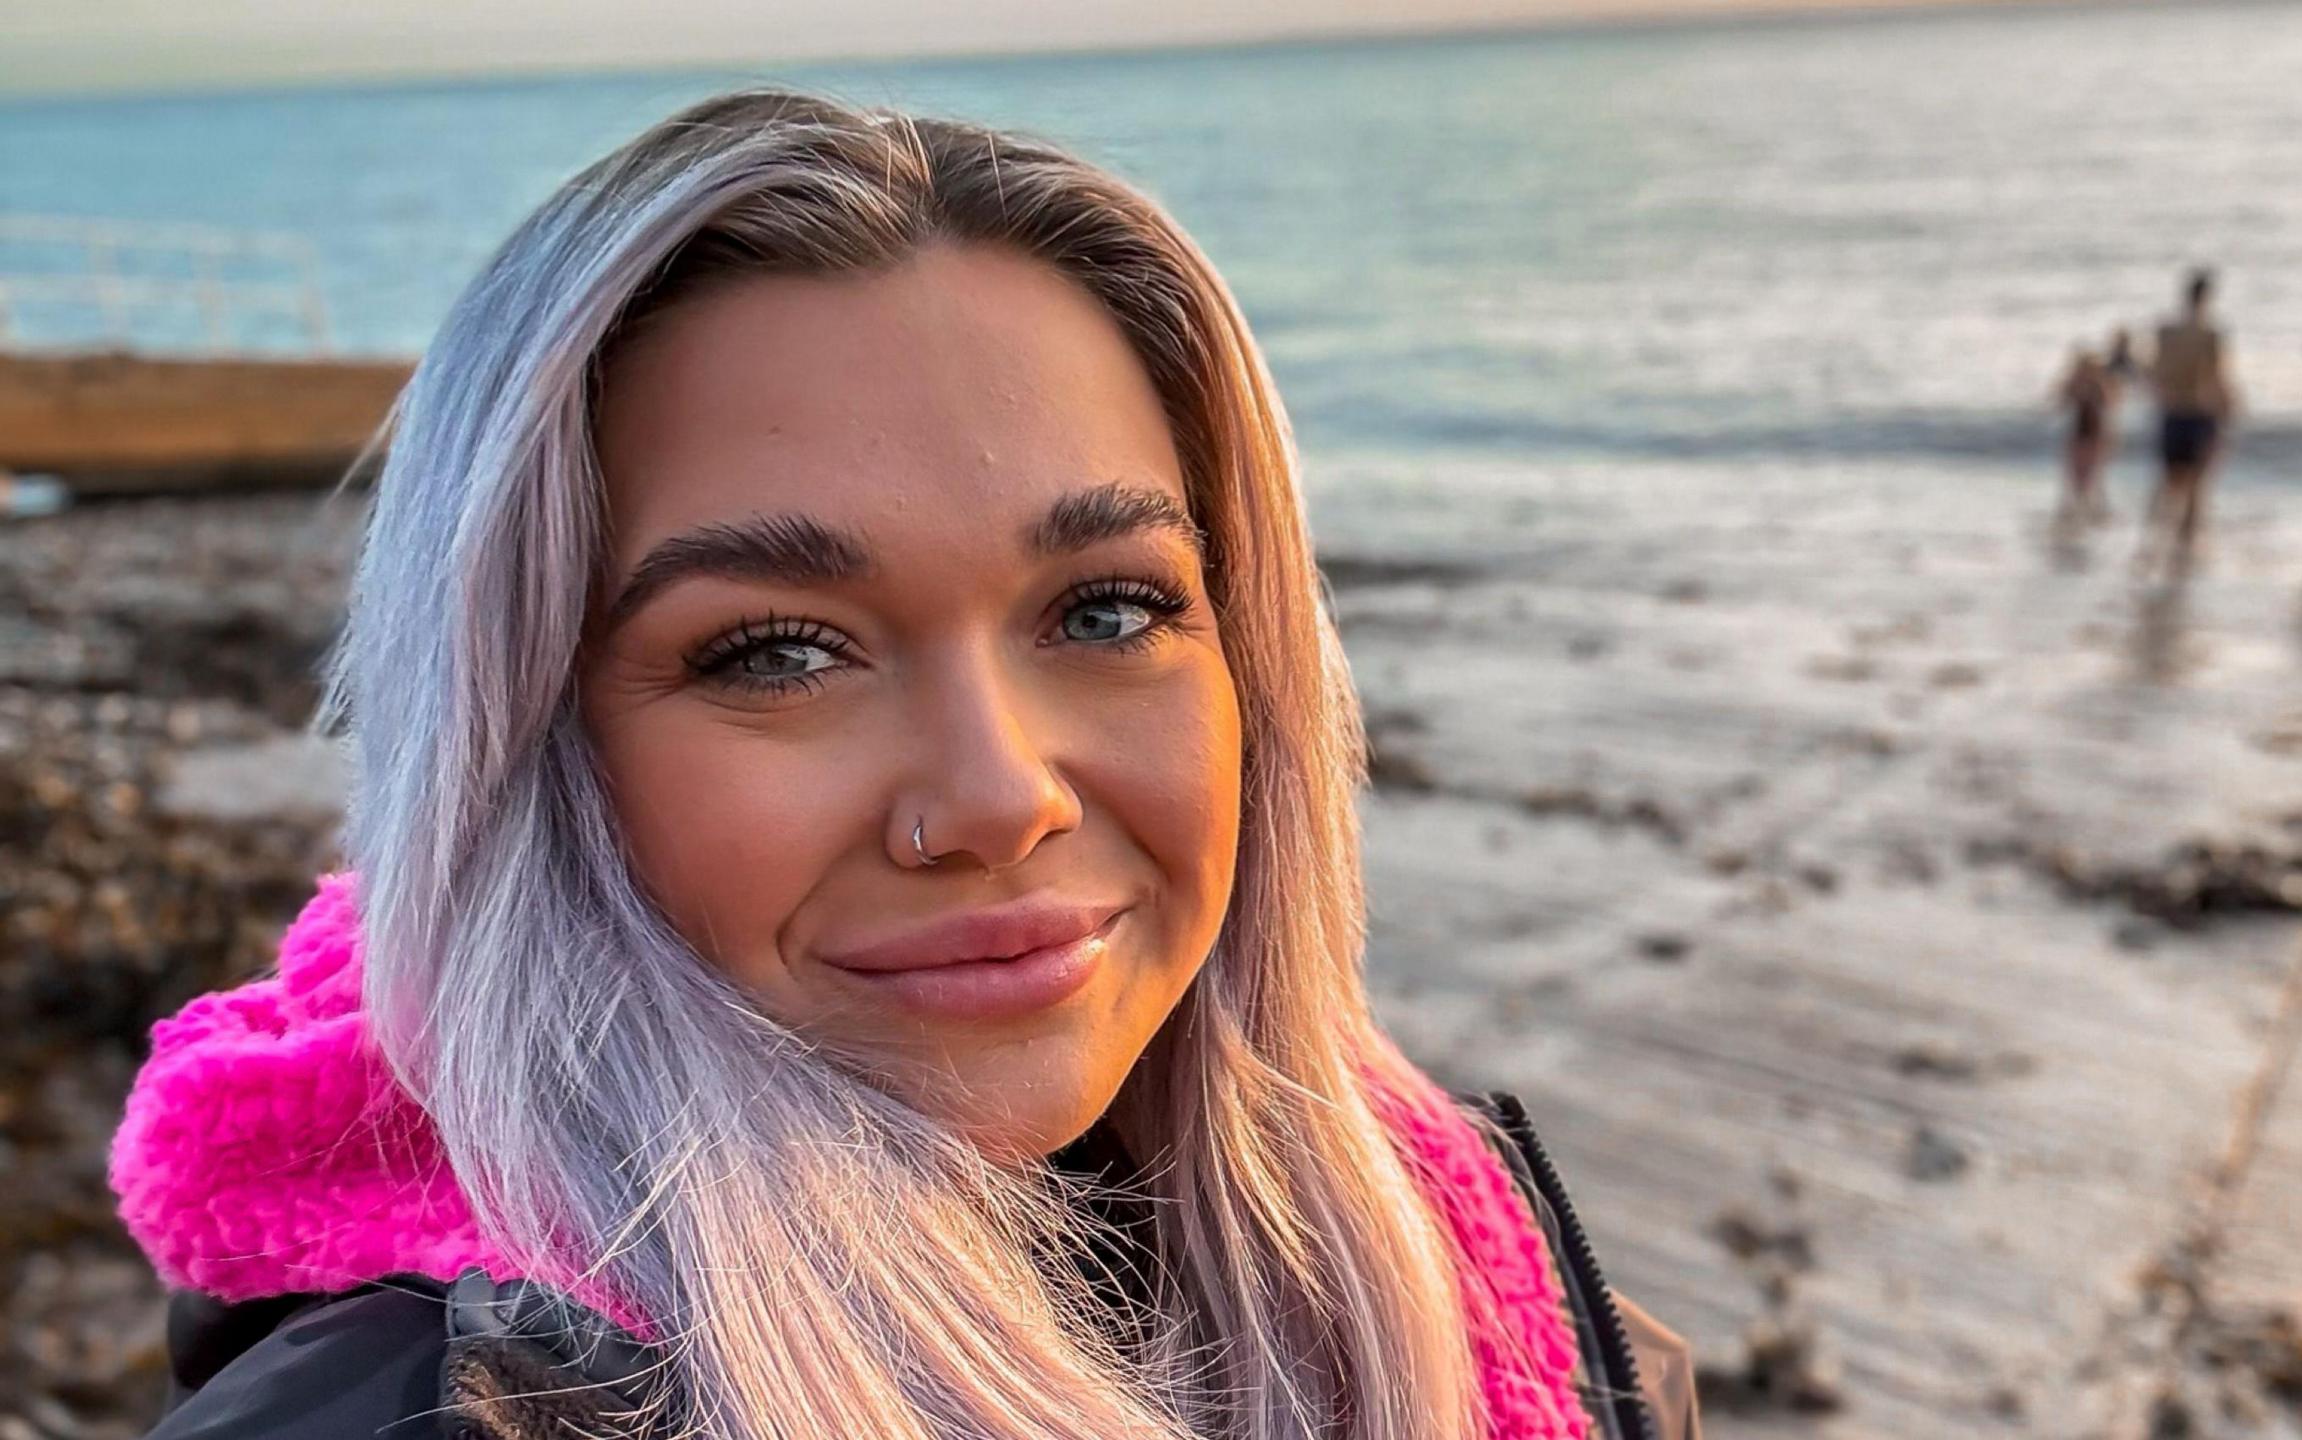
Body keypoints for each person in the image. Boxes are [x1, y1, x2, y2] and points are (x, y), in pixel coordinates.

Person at [107, 90, 1701, 1440]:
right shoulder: (446, 1402)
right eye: (777, 651)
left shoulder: (1484, 1279)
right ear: (524, 748)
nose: (1004, 797)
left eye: (1110, 607)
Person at [2138, 267, 2238, 572]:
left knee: (2167, 482)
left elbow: (2152, 373)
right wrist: (2230, 412)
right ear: (2207, 297)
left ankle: (2151, 544)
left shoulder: (2166, 331)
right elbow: (2218, 378)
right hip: (2199, 411)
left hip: (2171, 411)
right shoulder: (2211, 335)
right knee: (2197, 486)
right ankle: (2183, 552)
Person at [2053, 342, 2122, 524]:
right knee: (2075, 475)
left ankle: (2091, 510)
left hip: (2095, 433)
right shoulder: (2075, 383)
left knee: (2093, 475)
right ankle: (2076, 509)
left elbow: (2112, 405)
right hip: (2080, 432)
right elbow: (2059, 402)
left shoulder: (2100, 383)